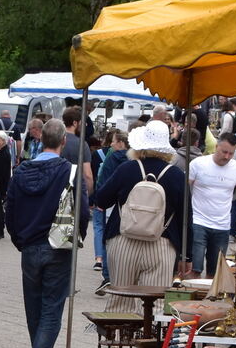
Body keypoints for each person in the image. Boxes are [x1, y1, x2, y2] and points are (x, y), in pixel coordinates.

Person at [6, 118, 80, 348]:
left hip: (29, 246)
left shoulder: (22, 171)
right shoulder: (68, 171)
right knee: (52, 306)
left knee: (33, 305)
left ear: (39, 139)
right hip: (58, 246)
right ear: (63, 141)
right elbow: (80, 208)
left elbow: (9, 209)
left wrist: (18, 240)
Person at [92, 119, 187, 313]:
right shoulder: (177, 175)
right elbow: (186, 217)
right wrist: (187, 255)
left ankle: (117, 342)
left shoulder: (127, 169)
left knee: (119, 302)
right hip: (161, 244)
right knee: (155, 307)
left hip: (123, 241)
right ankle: (148, 342)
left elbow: (101, 200)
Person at [188, 133, 236, 279]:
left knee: (215, 271)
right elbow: (185, 187)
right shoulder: (198, 163)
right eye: (224, 152)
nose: (227, 157)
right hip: (199, 221)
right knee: (195, 268)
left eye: (231, 153)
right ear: (216, 147)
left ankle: (210, 299)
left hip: (222, 225)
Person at [94, 129, 130, 283]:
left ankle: (107, 275)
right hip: (126, 205)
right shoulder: (132, 161)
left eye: (114, 141)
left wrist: (100, 200)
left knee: (107, 236)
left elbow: (104, 180)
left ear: (121, 143)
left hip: (109, 204)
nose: (112, 144)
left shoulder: (112, 157)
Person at [60, 106, 95, 200]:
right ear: (75, 123)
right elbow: (87, 175)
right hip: (75, 195)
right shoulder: (82, 144)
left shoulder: (55, 139)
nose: (85, 125)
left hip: (53, 192)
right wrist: (88, 195)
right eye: (82, 122)